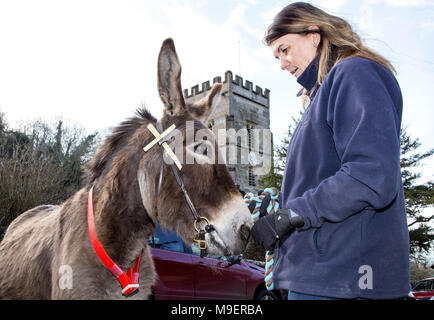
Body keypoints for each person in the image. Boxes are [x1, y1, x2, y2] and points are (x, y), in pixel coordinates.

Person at [251, 2, 410, 300]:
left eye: (284, 49)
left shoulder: (355, 72)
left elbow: (370, 175)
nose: (282, 64)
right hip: (320, 275)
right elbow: (320, 179)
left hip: (348, 278)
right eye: (276, 56)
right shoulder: (319, 96)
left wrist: (292, 214)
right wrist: (280, 205)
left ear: (314, 34)